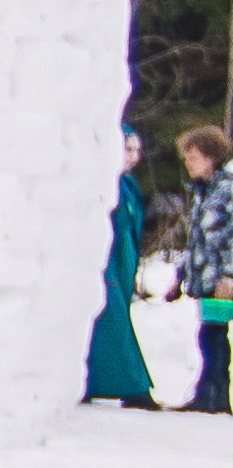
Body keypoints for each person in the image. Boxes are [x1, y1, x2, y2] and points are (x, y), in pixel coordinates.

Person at [85, 124, 158, 408]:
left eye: (137, 151)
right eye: (128, 149)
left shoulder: (128, 186)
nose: (134, 157)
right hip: (109, 267)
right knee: (112, 323)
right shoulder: (107, 184)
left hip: (124, 265)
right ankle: (133, 385)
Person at [175, 126, 233, 416]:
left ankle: (215, 395)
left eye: (194, 156)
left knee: (213, 335)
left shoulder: (227, 189)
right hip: (206, 276)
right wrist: (181, 273)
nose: (189, 162)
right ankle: (210, 392)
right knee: (210, 334)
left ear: (212, 157)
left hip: (222, 280)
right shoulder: (203, 191)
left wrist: (229, 276)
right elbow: (198, 238)